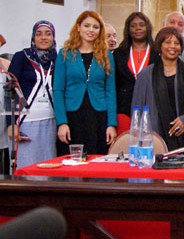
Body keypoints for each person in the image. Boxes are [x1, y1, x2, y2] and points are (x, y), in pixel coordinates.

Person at [53, 11, 117, 155]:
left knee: (97, 159)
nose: (91, 30)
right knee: (71, 161)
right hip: (72, 116)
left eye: (95, 27)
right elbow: (58, 90)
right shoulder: (65, 54)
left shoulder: (107, 56)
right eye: (87, 25)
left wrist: (111, 124)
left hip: (98, 116)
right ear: (78, 27)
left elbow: (110, 91)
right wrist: (62, 122)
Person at [131, 27, 184, 150]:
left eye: (177, 43)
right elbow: (137, 106)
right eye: (168, 42)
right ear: (159, 46)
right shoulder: (146, 74)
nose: (173, 46)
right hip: (155, 136)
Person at [6, 21, 58, 167]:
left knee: (49, 168)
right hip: (25, 122)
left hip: (51, 121)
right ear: (33, 37)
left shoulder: (57, 59)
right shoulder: (21, 57)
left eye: (48, 34)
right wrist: (11, 123)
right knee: (26, 168)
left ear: (53, 37)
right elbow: (10, 90)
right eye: (39, 34)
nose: (43, 37)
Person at [112, 12, 156, 135]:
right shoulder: (118, 54)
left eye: (142, 25)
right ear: (128, 29)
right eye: (133, 25)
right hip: (123, 109)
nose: (138, 28)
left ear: (148, 28)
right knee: (124, 143)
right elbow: (114, 84)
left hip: (149, 108)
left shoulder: (157, 53)